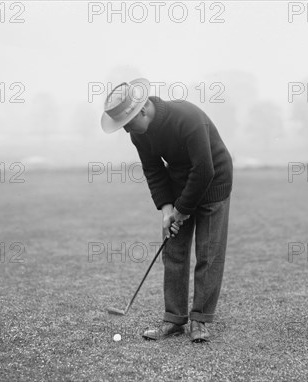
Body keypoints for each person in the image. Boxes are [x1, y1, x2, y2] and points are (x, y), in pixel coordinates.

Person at [100, 78, 233, 343]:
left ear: (142, 110)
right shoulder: (139, 133)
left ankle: (200, 320)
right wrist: (167, 208)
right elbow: (153, 169)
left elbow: (204, 169)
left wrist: (183, 210)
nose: (127, 132)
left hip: (214, 179)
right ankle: (174, 320)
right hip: (180, 181)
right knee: (173, 249)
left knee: (208, 252)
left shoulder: (186, 118)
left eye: (127, 125)